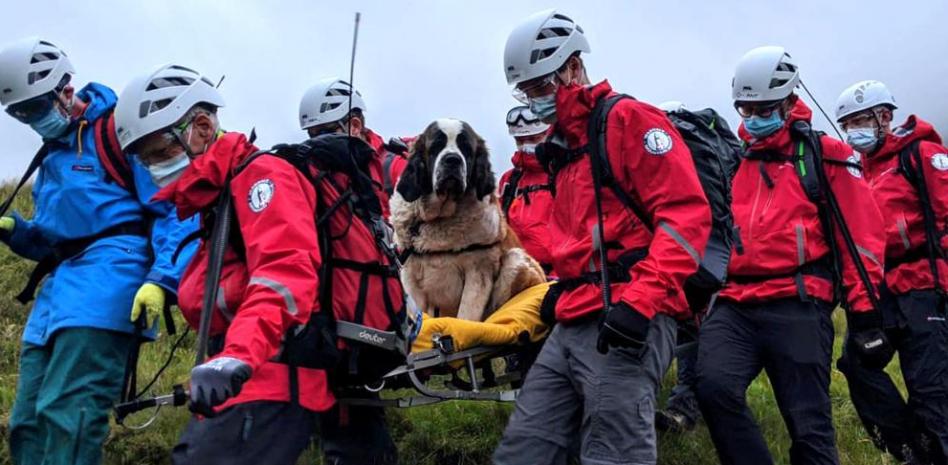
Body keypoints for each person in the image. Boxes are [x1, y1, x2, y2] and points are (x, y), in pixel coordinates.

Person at [114, 64, 401, 465]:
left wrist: (240, 355)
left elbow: (284, 275)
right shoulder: (219, 197)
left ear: (200, 126)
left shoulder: (260, 179)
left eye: (162, 153)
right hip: (253, 371)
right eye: (147, 160)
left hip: (271, 375)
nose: (156, 169)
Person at [493, 10, 712, 465]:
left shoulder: (629, 122)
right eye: (526, 91)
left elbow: (686, 219)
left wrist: (641, 301)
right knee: (526, 448)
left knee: (614, 452)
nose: (535, 100)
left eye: (541, 87)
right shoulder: (564, 146)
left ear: (573, 67)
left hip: (629, 317)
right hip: (574, 315)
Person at [0, 38, 195, 465]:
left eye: (34, 106)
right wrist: (17, 232)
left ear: (64, 91)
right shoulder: (52, 155)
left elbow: (175, 210)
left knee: (68, 412)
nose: (30, 119)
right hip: (57, 293)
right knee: (27, 421)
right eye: (19, 113)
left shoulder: (118, 133)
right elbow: (58, 241)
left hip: (108, 284)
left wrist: (163, 278)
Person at [695, 46, 888, 465]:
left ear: (788, 100)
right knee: (711, 386)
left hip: (799, 302)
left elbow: (862, 239)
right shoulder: (734, 163)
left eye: (763, 107)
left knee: (809, 425)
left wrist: (866, 314)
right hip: (734, 304)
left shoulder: (825, 156)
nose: (753, 117)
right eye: (745, 108)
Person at [834, 80, 948, 464]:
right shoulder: (857, 171)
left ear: (885, 117)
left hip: (924, 286)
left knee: (930, 388)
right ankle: (908, 448)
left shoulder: (922, 154)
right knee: (855, 363)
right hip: (880, 289)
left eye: (860, 120)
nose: (853, 131)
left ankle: (935, 452)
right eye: (847, 124)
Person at [652, 100, 702, 433]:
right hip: (684, 270)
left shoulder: (671, 166)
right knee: (685, 340)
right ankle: (675, 410)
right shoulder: (697, 162)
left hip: (680, 269)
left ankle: (682, 412)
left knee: (686, 343)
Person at [298, 77, 401, 216]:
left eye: (325, 132)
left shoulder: (394, 168)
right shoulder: (316, 177)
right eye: (312, 136)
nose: (318, 142)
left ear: (355, 126)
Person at [498, 105, 553, 272]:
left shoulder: (566, 173)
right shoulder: (509, 181)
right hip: (518, 274)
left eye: (534, 138)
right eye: (520, 140)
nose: (526, 145)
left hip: (560, 276)